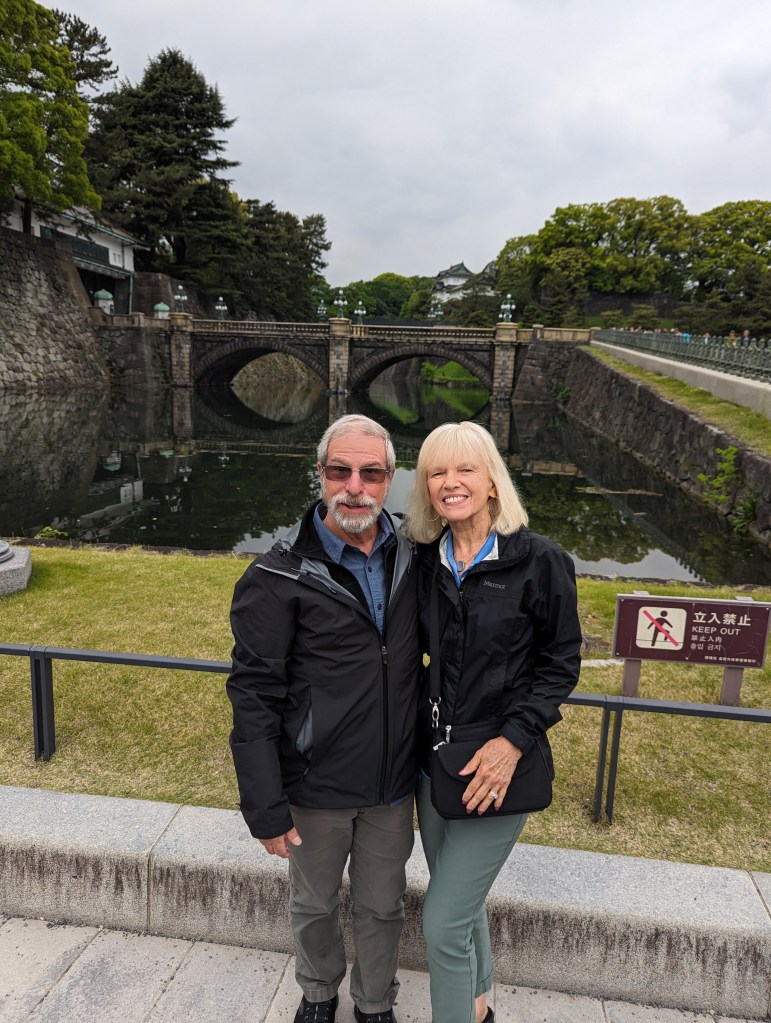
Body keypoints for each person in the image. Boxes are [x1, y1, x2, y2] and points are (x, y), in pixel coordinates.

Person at [226, 414, 420, 1023]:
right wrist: (265, 805)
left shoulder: (417, 555)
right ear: (320, 474)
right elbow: (253, 694)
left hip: (392, 783)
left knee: (383, 906)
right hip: (314, 783)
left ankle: (374, 1003)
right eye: (340, 471)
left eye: (370, 473)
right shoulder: (275, 576)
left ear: (390, 479)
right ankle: (317, 994)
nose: (354, 487)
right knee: (313, 904)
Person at [404, 421, 582, 1023]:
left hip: (498, 768)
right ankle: (478, 1008)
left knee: (442, 920)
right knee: (462, 902)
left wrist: (513, 741)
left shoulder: (541, 562)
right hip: (435, 763)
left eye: (465, 469)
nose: (450, 482)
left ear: (492, 482)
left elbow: (560, 665)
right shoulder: (423, 561)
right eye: (436, 472)